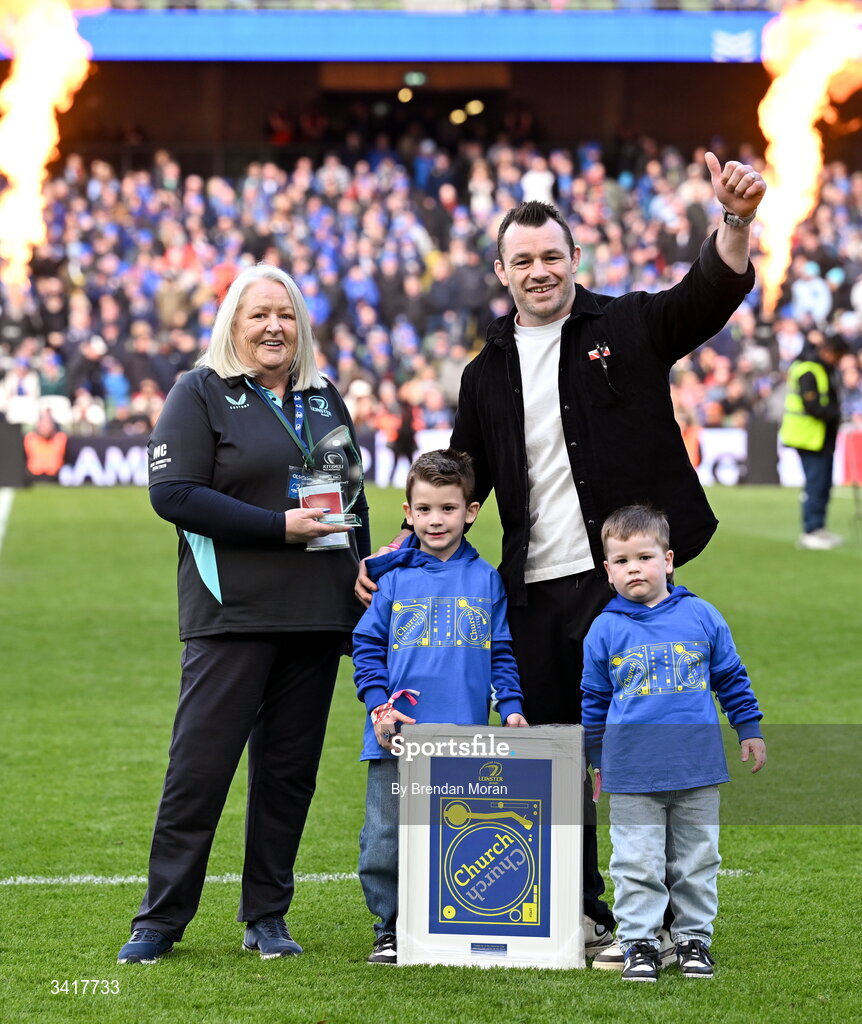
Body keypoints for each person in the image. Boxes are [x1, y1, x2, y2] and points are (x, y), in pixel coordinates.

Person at [357, 153, 767, 953]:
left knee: (645, 744)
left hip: (624, 588)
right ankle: (584, 913)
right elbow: (458, 476)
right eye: (524, 261)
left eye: (552, 256)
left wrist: (737, 221)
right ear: (501, 272)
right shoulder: (484, 372)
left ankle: (673, 919)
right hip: (533, 591)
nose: (539, 271)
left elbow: (706, 297)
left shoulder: (628, 325)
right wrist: (404, 550)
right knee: (554, 760)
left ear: (575, 259)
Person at [117, 264, 370, 964]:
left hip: (316, 615)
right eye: (259, 314)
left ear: (301, 327)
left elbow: (349, 506)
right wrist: (275, 527)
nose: (273, 327)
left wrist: (363, 577)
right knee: (199, 770)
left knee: (288, 776)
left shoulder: (323, 399)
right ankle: (160, 920)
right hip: (231, 613)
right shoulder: (199, 391)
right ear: (233, 321)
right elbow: (173, 493)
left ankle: (267, 914)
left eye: (285, 316)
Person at [353, 449, 528, 965]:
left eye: (448, 509)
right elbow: (366, 649)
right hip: (396, 735)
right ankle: (389, 927)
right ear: (408, 512)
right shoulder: (393, 579)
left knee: (456, 834)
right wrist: (378, 708)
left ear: (470, 512)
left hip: (463, 737)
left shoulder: (487, 580)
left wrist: (511, 708)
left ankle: (445, 920)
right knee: (385, 841)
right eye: (424, 509)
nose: (435, 519)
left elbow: (501, 654)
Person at [581, 505, 766, 982]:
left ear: (668, 560)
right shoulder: (604, 629)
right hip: (632, 775)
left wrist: (749, 729)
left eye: (643, 557)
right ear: (607, 570)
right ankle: (640, 941)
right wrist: (596, 759)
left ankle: (693, 940)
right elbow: (594, 700)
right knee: (635, 862)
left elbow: (731, 678)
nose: (633, 568)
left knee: (696, 861)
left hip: (697, 770)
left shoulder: (702, 616)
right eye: (621, 561)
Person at [779, 334, 850, 549]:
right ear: (830, 352)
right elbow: (812, 406)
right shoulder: (808, 370)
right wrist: (838, 416)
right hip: (808, 437)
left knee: (824, 484)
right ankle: (810, 530)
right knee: (815, 484)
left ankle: (818, 527)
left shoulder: (825, 370)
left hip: (822, 437)